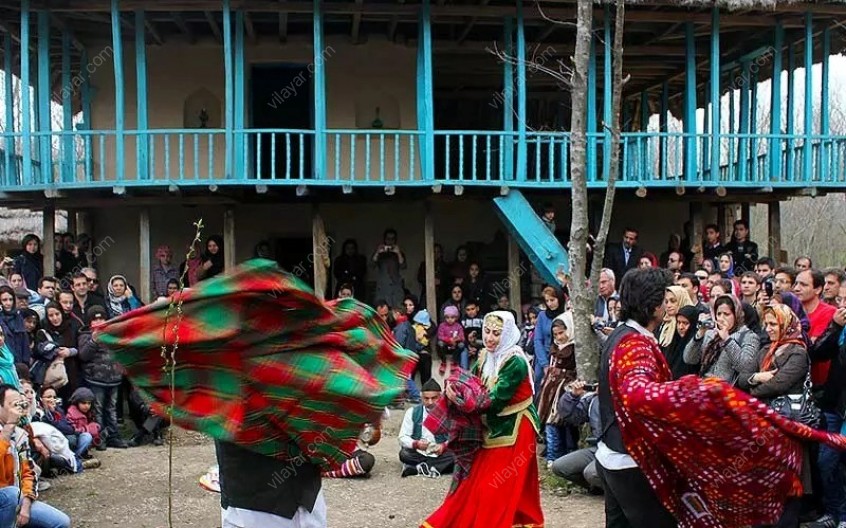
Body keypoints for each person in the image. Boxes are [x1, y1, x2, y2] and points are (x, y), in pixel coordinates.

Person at [421, 311, 543, 528]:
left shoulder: (515, 362)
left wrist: (458, 399)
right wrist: (457, 386)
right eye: (486, 331)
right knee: (475, 483)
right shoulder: (484, 356)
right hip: (490, 426)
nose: (489, 338)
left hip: (515, 428)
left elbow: (493, 400)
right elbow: (474, 384)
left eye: (496, 333)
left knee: (498, 486)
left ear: (506, 334)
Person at [0, 383, 70, 527]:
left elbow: (28, 472)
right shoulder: (8, 431)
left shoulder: (20, 435)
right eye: (13, 405)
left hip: (16, 499)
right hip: (5, 498)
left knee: (61, 522)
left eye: (20, 404)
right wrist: (8, 428)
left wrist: (26, 504)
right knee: (12, 494)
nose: (18, 409)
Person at [551, 380, 602, 494]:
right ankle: (597, 488)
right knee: (560, 466)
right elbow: (572, 417)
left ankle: (621, 494)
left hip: (620, 451)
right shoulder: (594, 399)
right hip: (598, 448)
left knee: (591, 473)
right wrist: (573, 396)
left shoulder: (627, 398)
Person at [398, 379, 456, 478]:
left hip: (440, 452)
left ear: (441, 396)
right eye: (426, 398)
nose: (430, 402)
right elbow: (402, 437)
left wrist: (443, 446)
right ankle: (435, 466)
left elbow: (455, 436)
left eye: (434, 398)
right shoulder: (412, 412)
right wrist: (417, 444)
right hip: (420, 451)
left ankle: (418, 468)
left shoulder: (450, 413)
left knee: (456, 455)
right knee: (404, 454)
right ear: (421, 397)